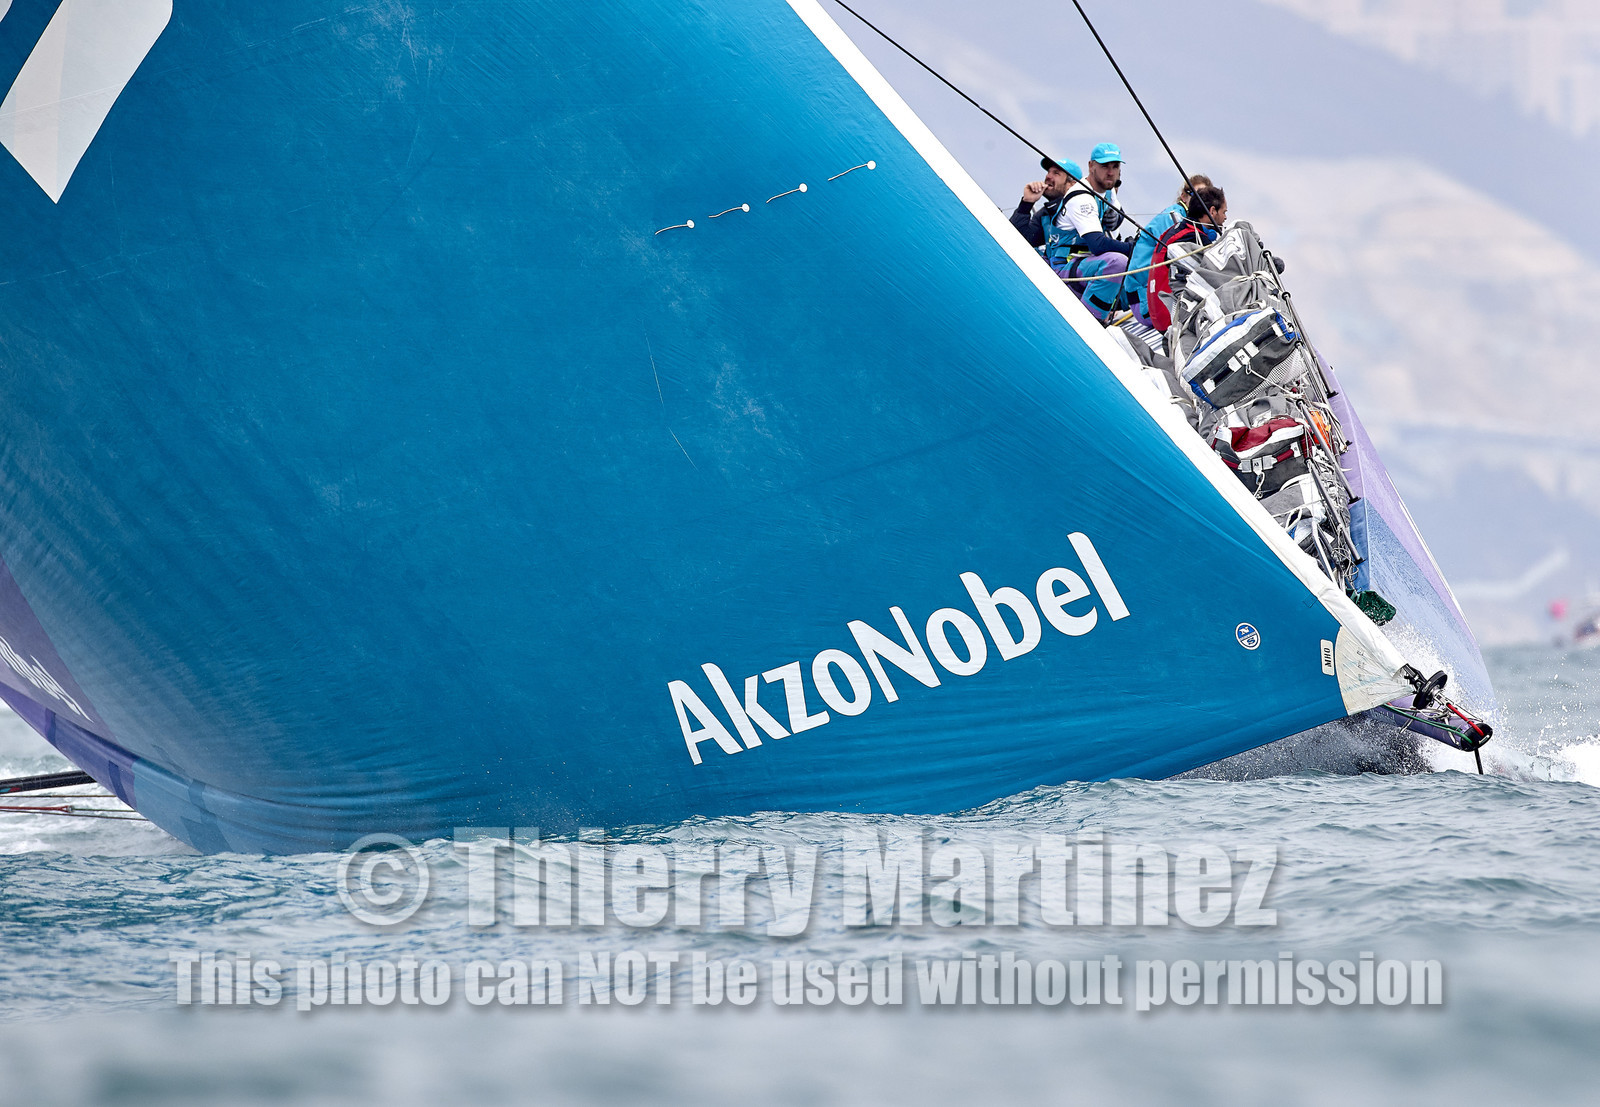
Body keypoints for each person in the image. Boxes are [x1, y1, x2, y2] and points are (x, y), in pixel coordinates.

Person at [1055, 142, 1133, 322]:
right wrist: (1134, 249)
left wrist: (1116, 217)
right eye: (1105, 166)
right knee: (1118, 262)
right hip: (1064, 269)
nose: (1111, 172)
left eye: (1115, 166)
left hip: (1087, 265)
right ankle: (1091, 322)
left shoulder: (1108, 190)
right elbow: (1098, 245)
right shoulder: (1081, 197)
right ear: (1091, 166)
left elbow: (1118, 216)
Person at [1123, 174, 1213, 327]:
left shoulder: (1197, 225)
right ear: (1184, 196)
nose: (1200, 201)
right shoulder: (1175, 218)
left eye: (1205, 198)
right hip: (1145, 300)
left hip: (1156, 295)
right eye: (1197, 195)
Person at [1143, 185, 1228, 332]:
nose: (1225, 218)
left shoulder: (1176, 230)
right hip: (1171, 320)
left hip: (1158, 315)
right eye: (1224, 212)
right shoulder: (1193, 239)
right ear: (1213, 211)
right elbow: (1221, 272)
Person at [1010, 155, 1084, 270]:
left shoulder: (1084, 208)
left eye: (1056, 173)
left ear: (1072, 185)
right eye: (1048, 172)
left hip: (1077, 277)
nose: (1048, 176)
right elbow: (1015, 240)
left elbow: (1112, 216)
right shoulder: (1044, 214)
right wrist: (1026, 203)